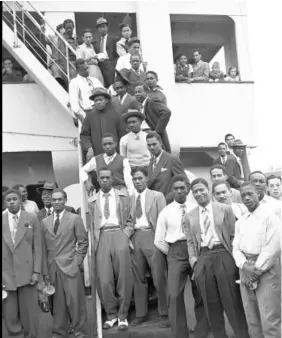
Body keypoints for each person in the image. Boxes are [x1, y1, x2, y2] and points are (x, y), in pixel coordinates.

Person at [185, 178, 249, 338]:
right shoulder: (190, 215)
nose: (199, 193)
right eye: (195, 191)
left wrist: (235, 258)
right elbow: (190, 241)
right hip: (204, 258)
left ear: (208, 190)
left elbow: (235, 235)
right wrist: (194, 261)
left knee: (232, 302)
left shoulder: (225, 209)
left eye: (201, 189)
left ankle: (242, 335)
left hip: (224, 255)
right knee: (210, 304)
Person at [155, 175, 209, 338]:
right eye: (176, 188)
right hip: (175, 251)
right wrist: (173, 252)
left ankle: (202, 331)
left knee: (200, 291)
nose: (179, 191)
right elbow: (159, 240)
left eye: (183, 188)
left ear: (188, 189)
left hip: (196, 250)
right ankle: (180, 333)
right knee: (174, 294)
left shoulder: (196, 208)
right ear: (172, 190)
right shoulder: (166, 211)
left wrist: (195, 250)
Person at [233, 182, 281, 338]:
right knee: (252, 317)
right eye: (243, 195)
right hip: (246, 269)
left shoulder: (270, 216)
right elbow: (236, 248)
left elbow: (273, 247)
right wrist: (244, 266)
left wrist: (256, 270)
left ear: (258, 194)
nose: (246, 198)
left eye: (250, 194)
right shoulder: (241, 220)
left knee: (269, 317)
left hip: (266, 270)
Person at [88, 167, 133, 331]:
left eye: (108, 177)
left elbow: (130, 218)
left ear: (112, 178)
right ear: (98, 180)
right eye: (102, 178)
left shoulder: (124, 196)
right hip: (102, 237)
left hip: (119, 234)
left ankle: (123, 316)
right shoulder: (91, 201)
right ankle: (111, 315)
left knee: (124, 277)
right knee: (105, 279)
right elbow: (90, 224)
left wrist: (125, 234)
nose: (105, 180)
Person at [41, 189, 88, 338]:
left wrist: (77, 262)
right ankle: (59, 331)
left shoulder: (75, 219)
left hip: (70, 266)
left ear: (65, 200)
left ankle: (80, 331)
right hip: (52, 267)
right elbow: (43, 247)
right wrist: (44, 271)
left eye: (60, 199)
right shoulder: (44, 222)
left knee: (75, 301)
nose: (56, 202)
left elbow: (83, 242)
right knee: (57, 302)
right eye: (54, 200)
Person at [129, 167, 169, 327]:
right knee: (137, 278)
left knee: (159, 275)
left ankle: (165, 312)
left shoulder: (157, 196)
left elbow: (163, 218)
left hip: (153, 235)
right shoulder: (128, 198)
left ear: (146, 178)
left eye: (140, 178)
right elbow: (126, 220)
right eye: (135, 179)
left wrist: (161, 240)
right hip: (135, 237)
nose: (137, 181)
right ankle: (141, 313)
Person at [2, 189, 42, 338]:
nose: (11, 202)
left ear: (20, 200)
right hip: (6, 274)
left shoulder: (32, 218)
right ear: (5, 202)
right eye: (8, 200)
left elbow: (37, 247)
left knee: (29, 314)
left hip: (27, 273)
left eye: (14, 199)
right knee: (10, 314)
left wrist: (37, 271)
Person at [80, 87, 126, 161]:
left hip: (114, 154)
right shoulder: (90, 116)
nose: (98, 102)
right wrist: (89, 148)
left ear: (106, 100)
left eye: (100, 100)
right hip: (96, 155)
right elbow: (84, 135)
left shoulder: (115, 115)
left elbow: (122, 135)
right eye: (96, 100)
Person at [146, 132, 187, 197]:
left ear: (160, 143)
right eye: (149, 145)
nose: (151, 147)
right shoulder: (150, 162)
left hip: (169, 203)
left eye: (154, 144)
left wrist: (174, 200)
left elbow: (185, 184)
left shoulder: (172, 159)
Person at [134, 83, 171, 152]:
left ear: (146, 92)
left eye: (139, 92)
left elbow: (166, 112)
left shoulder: (151, 101)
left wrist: (157, 131)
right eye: (135, 92)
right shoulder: (141, 106)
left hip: (151, 135)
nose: (137, 94)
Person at [69, 58, 104, 124]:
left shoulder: (95, 80)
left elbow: (104, 94)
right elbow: (74, 105)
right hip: (86, 115)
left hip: (100, 113)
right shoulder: (74, 82)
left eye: (87, 68)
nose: (87, 70)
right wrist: (84, 120)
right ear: (77, 70)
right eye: (84, 69)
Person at [50, 19, 78, 90]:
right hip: (61, 64)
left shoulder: (75, 40)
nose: (69, 30)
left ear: (73, 28)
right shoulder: (59, 38)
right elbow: (47, 39)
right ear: (64, 29)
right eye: (67, 28)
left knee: (73, 81)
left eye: (70, 28)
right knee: (56, 71)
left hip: (72, 65)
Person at [93, 17, 119, 88]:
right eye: (100, 27)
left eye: (104, 27)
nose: (102, 29)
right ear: (98, 29)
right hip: (99, 65)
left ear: (107, 27)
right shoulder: (95, 41)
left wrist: (112, 64)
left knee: (111, 86)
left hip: (109, 65)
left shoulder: (114, 39)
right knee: (100, 85)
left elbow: (118, 55)